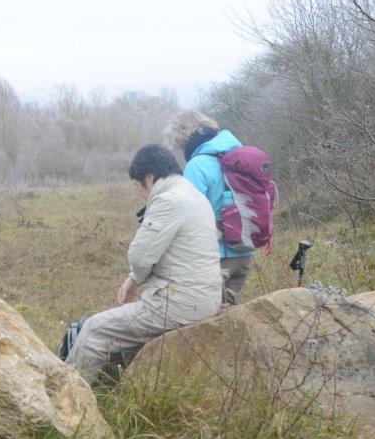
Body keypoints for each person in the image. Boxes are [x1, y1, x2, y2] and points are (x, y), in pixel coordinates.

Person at [67, 144, 221, 383]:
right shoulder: (195, 195)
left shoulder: (169, 200)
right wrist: (134, 280)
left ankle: (66, 400)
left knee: (94, 330)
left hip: (181, 305)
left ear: (150, 177)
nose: (140, 193)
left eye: (138, 186)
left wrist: (135, 275)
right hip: (204, 299)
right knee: (125, 335)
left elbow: (140, 257)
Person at [165, 110, 255, 305]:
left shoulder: (198, 165)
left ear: (184, 137)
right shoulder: (241, 154)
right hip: (245, 252)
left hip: (216, 257)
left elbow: (186, 214)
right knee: (228, 312)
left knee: (205, 319)